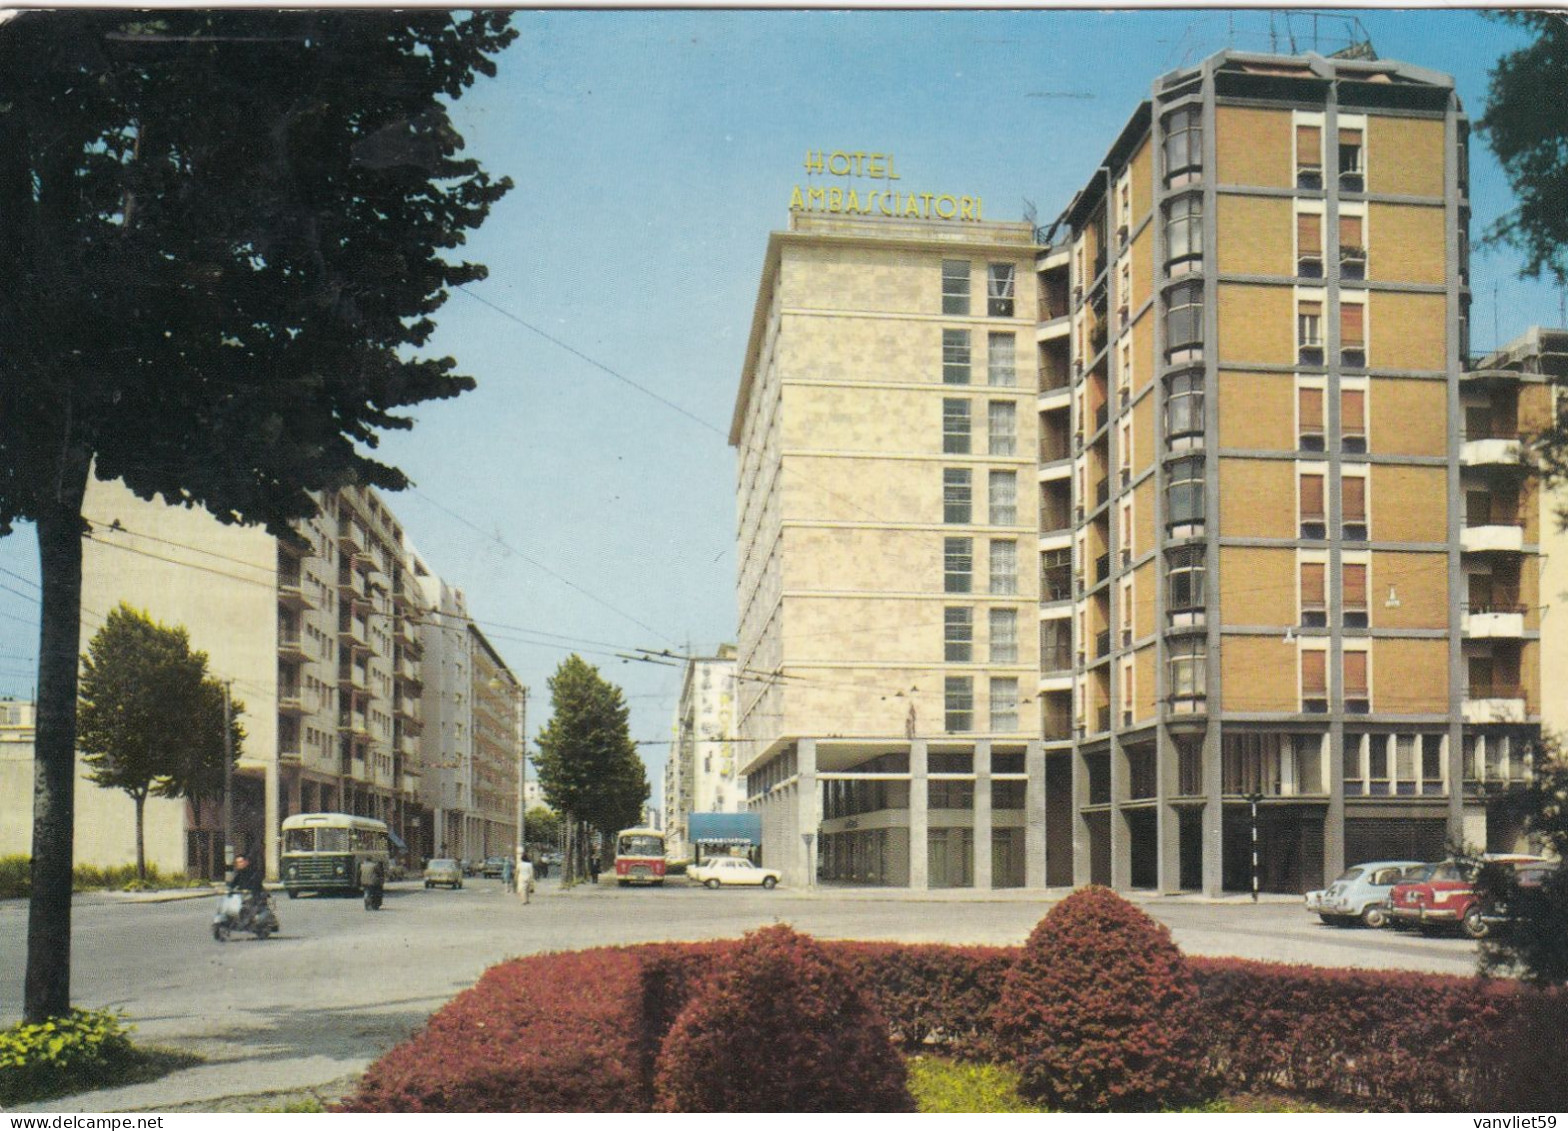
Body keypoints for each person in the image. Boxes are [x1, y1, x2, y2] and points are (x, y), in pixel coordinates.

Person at [229, 852, 265, 926]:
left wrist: (252, 890)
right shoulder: (239, 873)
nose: (239, 864)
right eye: (238, 862)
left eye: (241, 862)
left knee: (249, 906)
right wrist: (230, 890)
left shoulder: (253, 872)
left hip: (254, 896)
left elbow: (256, 883)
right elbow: (233, 883)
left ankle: (252, 920)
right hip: (243, 896)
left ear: (246, 862)